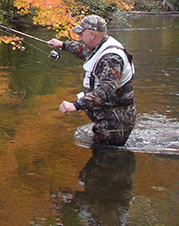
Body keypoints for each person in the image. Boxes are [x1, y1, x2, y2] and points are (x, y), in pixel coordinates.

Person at [47, 14, 136, 147]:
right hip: (106, 118)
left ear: (92, 35)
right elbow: (82, 50)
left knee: (104, 160)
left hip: (114, 124)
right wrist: (62, 45)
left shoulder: (111, 58)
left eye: (82, 34)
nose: (80, 38)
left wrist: (76, 105)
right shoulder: (99, 45)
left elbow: (105, 91)